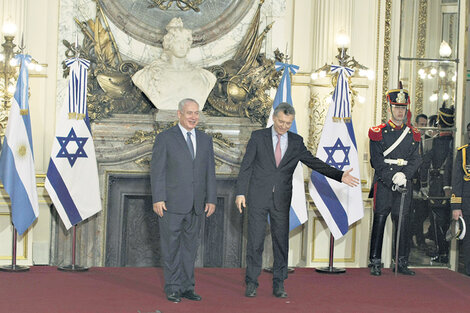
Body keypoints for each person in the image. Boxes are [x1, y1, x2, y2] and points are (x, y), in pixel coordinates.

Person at [235, 102, 359, 298]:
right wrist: (240, 193)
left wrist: (340, 175)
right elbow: (246, 166)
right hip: (258, 198)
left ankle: (279, 284)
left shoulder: (295, 141)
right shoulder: (258, 137)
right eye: (282, 122)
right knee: (255, 242)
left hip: (282, 200)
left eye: (288, 123)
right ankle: (251, 282)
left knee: (281, 243)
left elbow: (314, 162)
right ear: (274, 118)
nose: (284, 126)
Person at [151, 98, 216, 303]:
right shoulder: (165, 138)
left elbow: (210, 173)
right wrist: (158, 198)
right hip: (171, 204)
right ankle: (172, 287)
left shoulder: (205, 139)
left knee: (190, 249)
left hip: (197, 205)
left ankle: (188, 287)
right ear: (179, 114)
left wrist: (211, 199)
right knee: (171, 248)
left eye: (196, 113)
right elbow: (157, 170)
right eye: (189, 113)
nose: (193, 117)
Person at [368, 89, 421, 276]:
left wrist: (404, 175)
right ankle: (375, 261)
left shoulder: (413, 134)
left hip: (404, 182)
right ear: (389, 108)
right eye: (396, 107)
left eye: (403, 108)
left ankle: (401, 261)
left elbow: (416, 160)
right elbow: (376, 161)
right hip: (384, 182)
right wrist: (392, 177)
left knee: (403, 222)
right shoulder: (378, 132)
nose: (400, 112)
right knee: (380, 219)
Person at [132, 17, 216, 110]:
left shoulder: (205, 77)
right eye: (178, 41)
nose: (182, 46)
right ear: (169, 44)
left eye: (185, 41)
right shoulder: (150, 74)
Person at [421, 104, 454, 263]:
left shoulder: (432, 142)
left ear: (439, 124)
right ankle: (449, 253)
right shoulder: (456, 143)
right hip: (455, 188)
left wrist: (423, 185)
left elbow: (425, 164)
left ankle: (442, 252)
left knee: (437, 221)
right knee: (449, 222)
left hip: (436, 187)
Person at [451, 122, 470, 276]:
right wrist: (456, 206)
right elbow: (457, 180)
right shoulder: (463, 153)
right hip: (468, 204)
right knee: (468, 241)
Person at [410, 114, 429, 250]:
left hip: (425, 183)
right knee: (411, 214)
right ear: (415, 124)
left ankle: (420, 238)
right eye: (421, 124)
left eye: (425, 124)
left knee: (422, 214)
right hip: (412, 181)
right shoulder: (411, 139)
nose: (424, 127)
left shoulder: (429, 141)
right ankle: (411, 239)